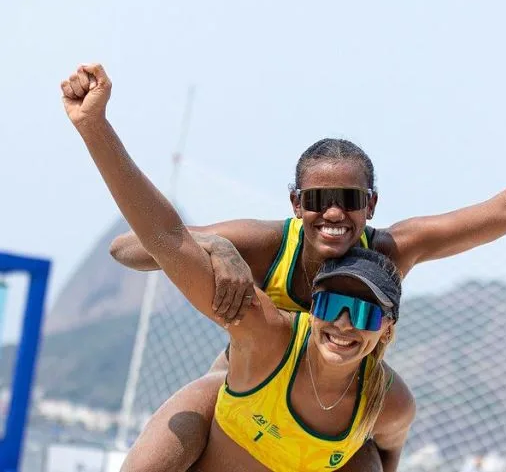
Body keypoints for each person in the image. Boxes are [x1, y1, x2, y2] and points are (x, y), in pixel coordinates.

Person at [99, 64, 506, 471]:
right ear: (296, 204)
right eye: (318, 200)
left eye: (351, 198)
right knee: (182, 423)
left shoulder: (393, 251)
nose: (335, 213)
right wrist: (217, 248)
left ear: (372, 204)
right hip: (248, 388)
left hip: (339, 411)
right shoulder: (263, 245)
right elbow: (133, 247)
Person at [60, 64, 416, 471]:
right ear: (310, 307)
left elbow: (391, 450)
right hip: (230, 409)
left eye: (365, 311)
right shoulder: (266, 332)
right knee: (190, 410)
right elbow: (166, 239)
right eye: (331, 305)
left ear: (387, 327)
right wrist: (93, 125)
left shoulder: (389, 402)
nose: (345, 322)